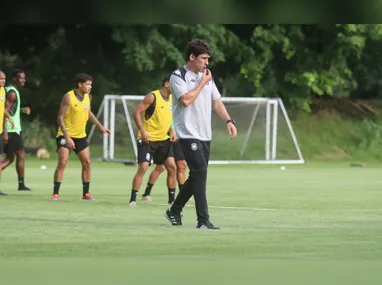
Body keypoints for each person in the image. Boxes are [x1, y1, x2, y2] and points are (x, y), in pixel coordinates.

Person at [165, 38, 237, 230]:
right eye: (204, 58)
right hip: (188, 133)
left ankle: (174, 210)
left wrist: (229, 121)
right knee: (200, 173)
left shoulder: (206, 76)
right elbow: (186, 100)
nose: (207, 63)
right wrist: (202, 83)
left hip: (205, 134)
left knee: (197, 175)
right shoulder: (178, 76)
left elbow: (216, 102)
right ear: (192, 57)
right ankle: (203, 220)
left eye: (207, 59)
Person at [51, 73, 111, 200]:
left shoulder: (88, 96)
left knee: (87, 163)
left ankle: (86, 193)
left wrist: (101, 127)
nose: (90, 87)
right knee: (63, 162)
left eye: (91, 84)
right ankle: (55, 193)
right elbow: (60, 117)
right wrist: (67, 137)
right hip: (65, 135)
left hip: (80, 136)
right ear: (80, 84)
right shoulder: (68, 97)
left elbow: (88, 113)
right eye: (88, 84)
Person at [129, 74, 177, 207]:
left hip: (163, 140)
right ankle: (133, 199)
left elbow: (166, 118)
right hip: (148, 139)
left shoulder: (173, 99)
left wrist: (171, 131)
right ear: (167, 84)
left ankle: (172, 201)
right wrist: (143, 131)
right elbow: (136, 112)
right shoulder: (152, 97)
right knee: (143, 167)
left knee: (171, 167)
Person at [141, 123, 193, 204]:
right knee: (161, 167)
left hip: (179, 138)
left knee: (182, 165)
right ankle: (146, 193)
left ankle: (183, 194)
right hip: (166, 138)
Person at [1, 69, 32, 191]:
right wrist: (6, 132)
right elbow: (4, 113)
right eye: (21, 78)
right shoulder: (12, 93)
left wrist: (23, 110)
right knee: (19, 155)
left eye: (24, 78)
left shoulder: (9, 90)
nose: (23, 80)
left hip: (11, 129)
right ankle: (21, 184)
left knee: (12, 157)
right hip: (11, 130)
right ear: (14, 78)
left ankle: (21, 184)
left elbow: (9, 109)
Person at [0, 71, 15, 196]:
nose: (3, 81)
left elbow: (2, 110)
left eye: (4, 79)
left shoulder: (3, 91)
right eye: (0, 79)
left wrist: (8, 118)